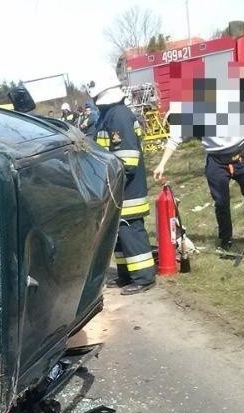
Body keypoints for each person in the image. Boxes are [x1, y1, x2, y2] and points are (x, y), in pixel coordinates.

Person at [152, 70, 244, 251]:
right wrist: (162, 164)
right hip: (216, 161)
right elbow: (174, 139)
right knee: (221, 203)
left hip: (241, 156)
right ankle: (226, 239)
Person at [89, 69, 155, 295]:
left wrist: (111, 181)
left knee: (131, 233)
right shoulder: (111, 115)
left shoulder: (118, 116)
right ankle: (126, 274)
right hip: (116, 191)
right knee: (119, 235)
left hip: (127, 190)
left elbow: (127, 159)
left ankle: (144, 277)